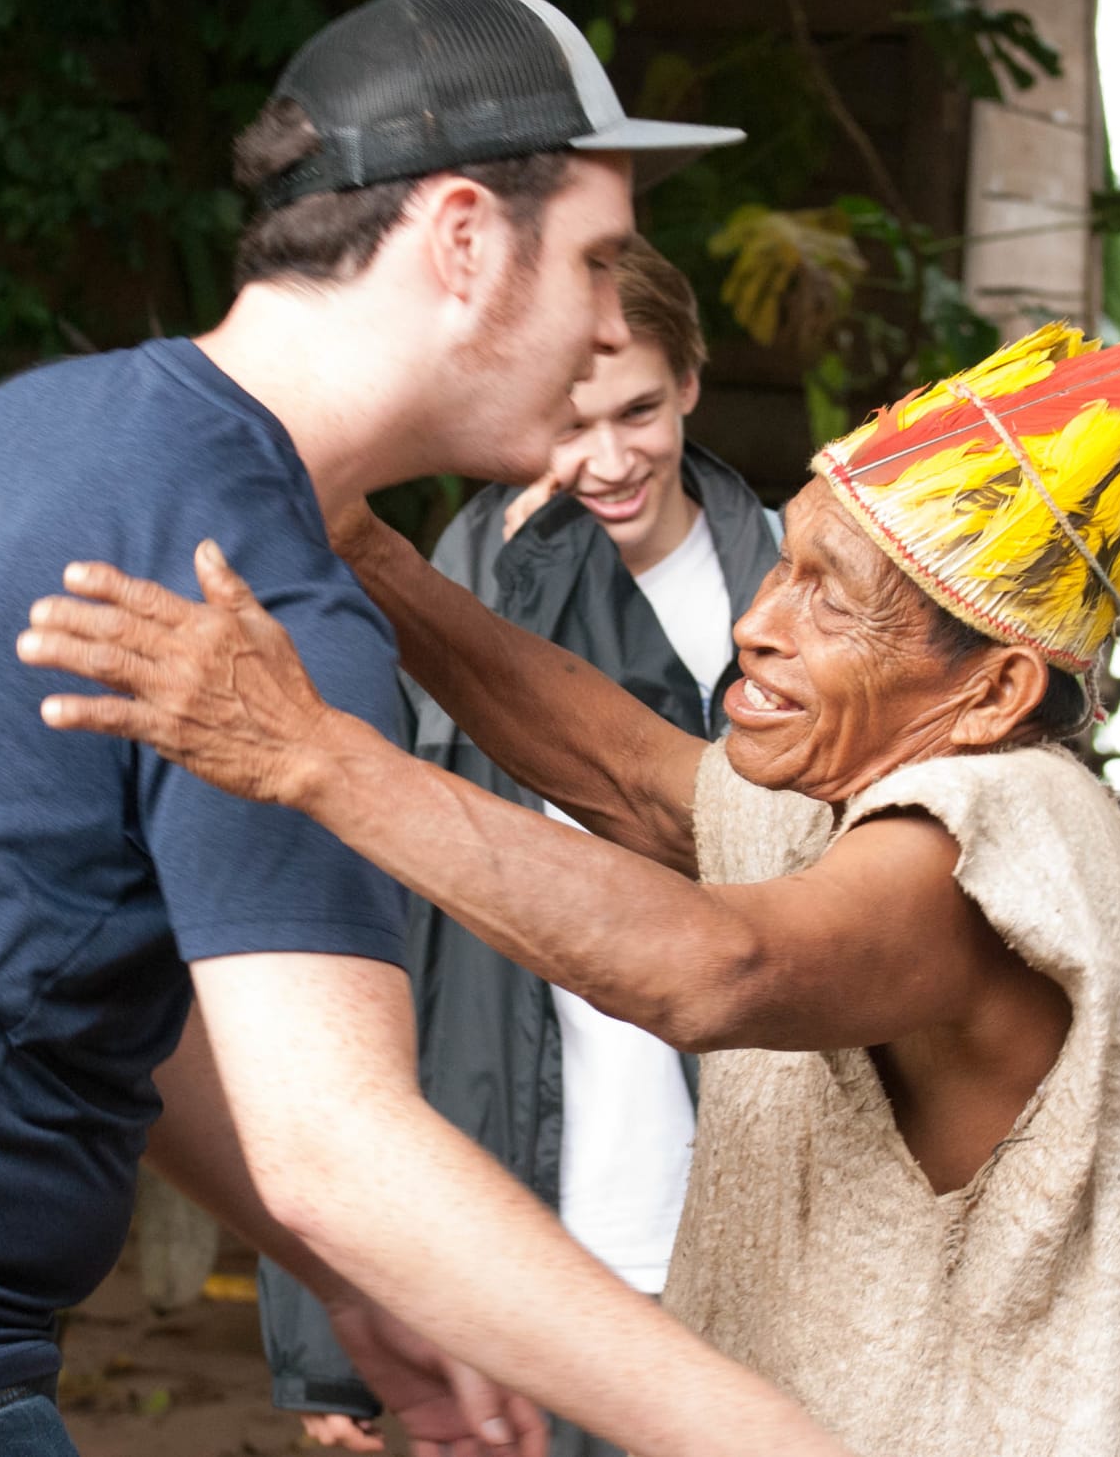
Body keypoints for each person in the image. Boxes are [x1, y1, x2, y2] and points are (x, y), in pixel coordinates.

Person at [0, 0, 856, 1457]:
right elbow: (340, 1146)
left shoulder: (63, 423)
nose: (609, 322)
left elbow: (92, 995)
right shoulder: (258, 601)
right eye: (597, 263)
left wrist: (354, 1276)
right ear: (464, 239)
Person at [18, 246, 1120, 1455]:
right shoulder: (872, 778)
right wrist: (378, 561)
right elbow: (626, 776)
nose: (762, 622)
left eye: (836, 602)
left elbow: (717, 966)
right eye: (786, 563)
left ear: (996, 689)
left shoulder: (997, 829)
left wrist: (315, 757)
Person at [260, 238, 780, 1457]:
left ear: (691, 384)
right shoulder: (434, 594)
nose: (605, 462)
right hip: (523, 1245)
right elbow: (346, 933)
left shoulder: (793, 583)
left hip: (747, 1232)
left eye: (639, 411)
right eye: (569, 420)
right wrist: (325, 1329)